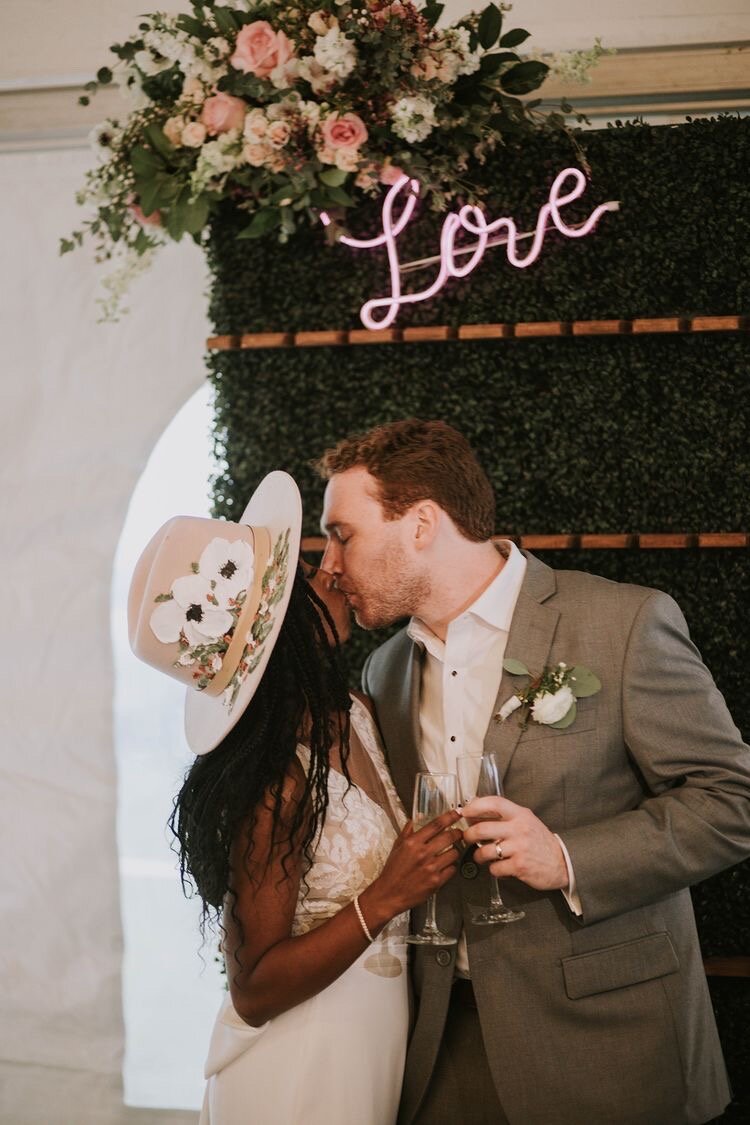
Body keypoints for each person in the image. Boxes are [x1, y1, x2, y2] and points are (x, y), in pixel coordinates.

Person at [315, 419, 750, 1125]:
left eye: (342, 533)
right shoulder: (386, 668)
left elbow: (734, 799)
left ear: (421, 523)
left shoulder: (624, 623)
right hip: (442, 1047)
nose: (329, 562)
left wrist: (568, 857)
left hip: (609, 1045)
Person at [127, 470, 463, 1125]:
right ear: (276, 628)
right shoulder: (275, 775)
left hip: (372, 1046)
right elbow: (254, 989)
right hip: (300, 1066)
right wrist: (389, 892)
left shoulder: (359, 711)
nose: (331, 573)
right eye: (308, 574)